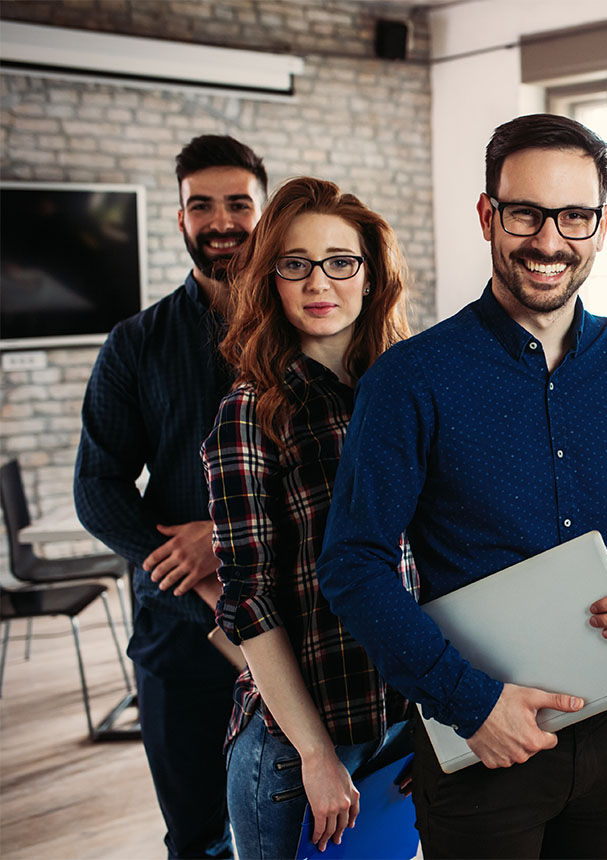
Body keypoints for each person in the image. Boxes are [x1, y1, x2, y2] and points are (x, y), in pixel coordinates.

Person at [314, 113, 607, 859]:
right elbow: (351, 563)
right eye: (526, 213)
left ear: (602, 225)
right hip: (479, 745)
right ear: (488, 214)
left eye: (574, 216)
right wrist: (470, 704)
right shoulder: (410, 379)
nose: (550, 241)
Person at [201, 177, 416, 859]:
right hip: (300, 751)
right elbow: (249, 600)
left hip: (404, 725)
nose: (319, 282)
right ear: (271, 279)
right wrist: (318, 755)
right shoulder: (251, 411)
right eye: (295, 264)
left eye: (340, 261)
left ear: (371, 274)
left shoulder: (405, 393)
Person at [74, 135, 266, 859]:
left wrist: (225, 536)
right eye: (201, 205)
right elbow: (96, 486)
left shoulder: (312, 325)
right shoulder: (135, 343)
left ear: (264, 211)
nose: (221, 221)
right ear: (180, 218)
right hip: (180, 638)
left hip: (309, 623)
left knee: (315, 825)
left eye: (238, 203)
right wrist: (188, 566)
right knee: (196, 837)